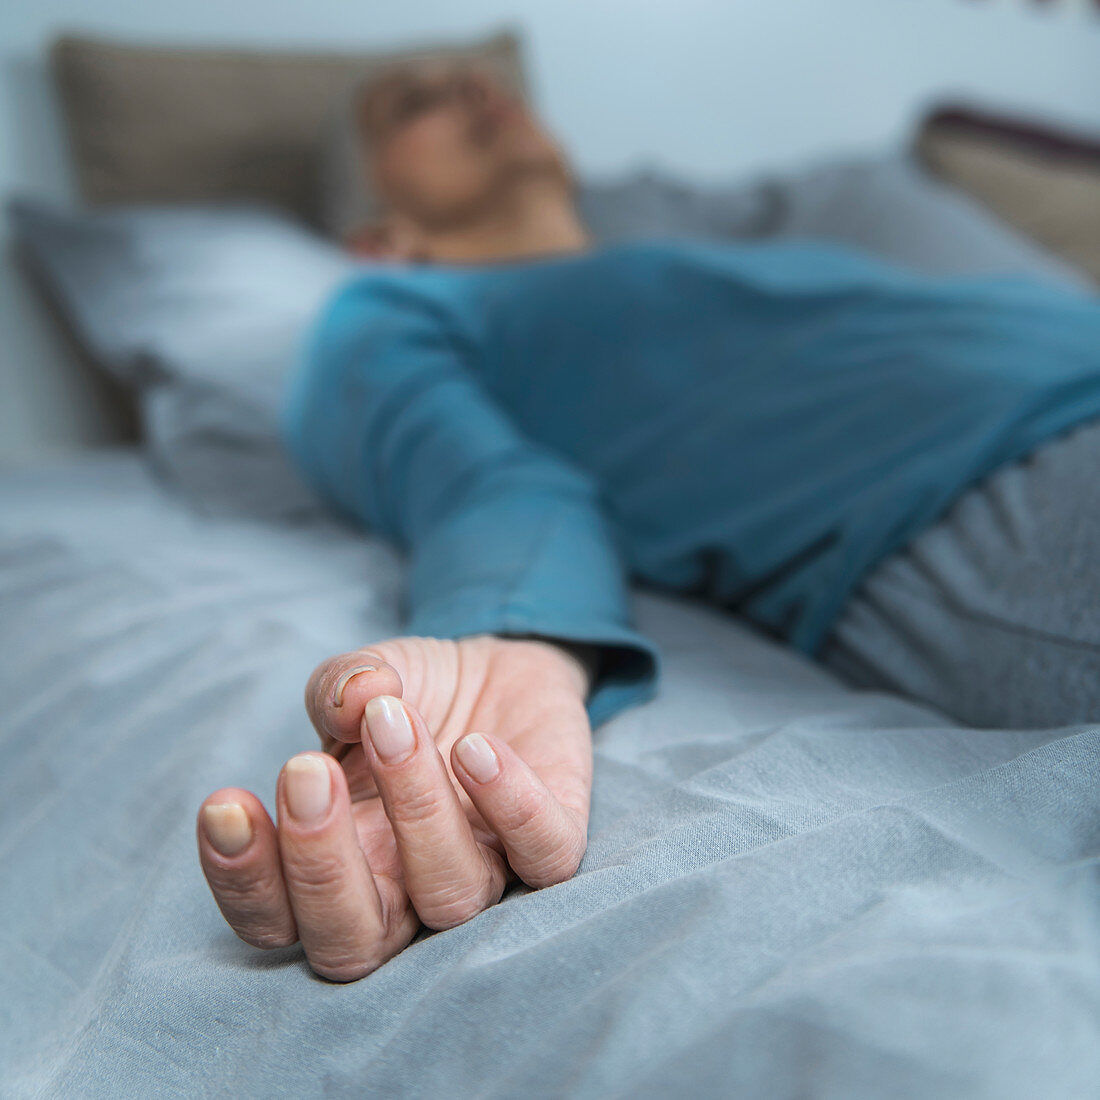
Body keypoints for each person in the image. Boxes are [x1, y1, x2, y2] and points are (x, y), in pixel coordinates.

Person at [197, 62, 1100, 982]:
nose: (474, 91)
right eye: (415, 102)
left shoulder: (744, 257)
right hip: (989, 475)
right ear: (380, 235)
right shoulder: (389, 309)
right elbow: (492, 486)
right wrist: (517, 638)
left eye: (476, 80)